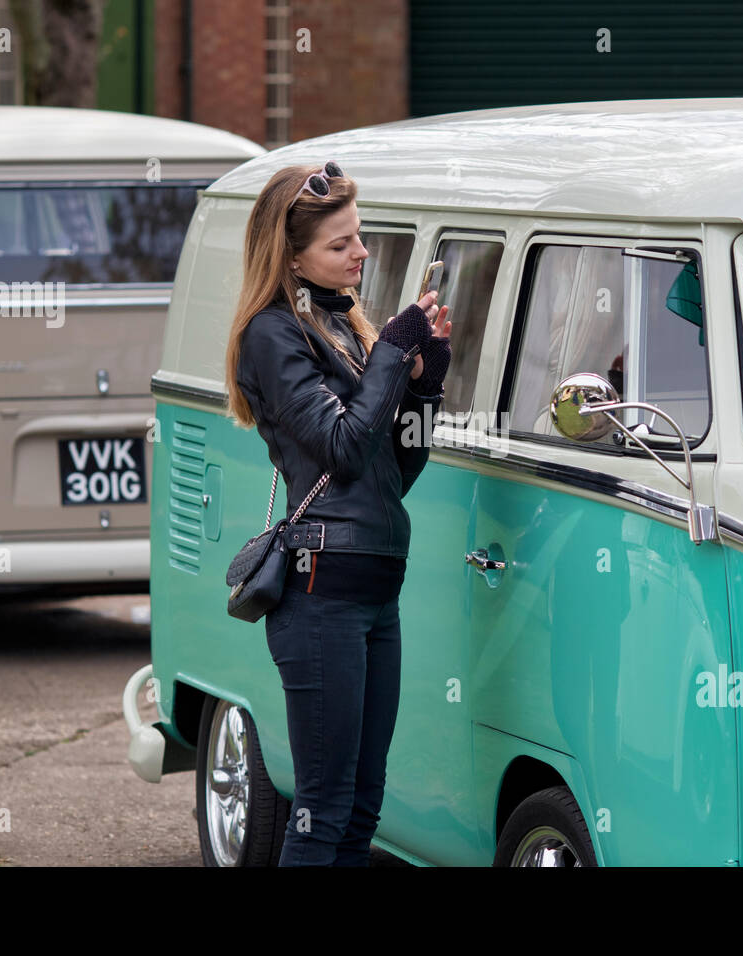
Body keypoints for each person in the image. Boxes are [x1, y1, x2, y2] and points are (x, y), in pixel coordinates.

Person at [224, 161, 452, 866]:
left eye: (358, 238)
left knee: (361, 807)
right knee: (320, 812)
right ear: (291, 256)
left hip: (374, 586)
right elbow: (343, 451)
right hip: (321, 591)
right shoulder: (271, 333)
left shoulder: (341, 326)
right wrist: (391, 350)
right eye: (340, 244)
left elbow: (393, 471)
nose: (361, 253)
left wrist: (425, 384)